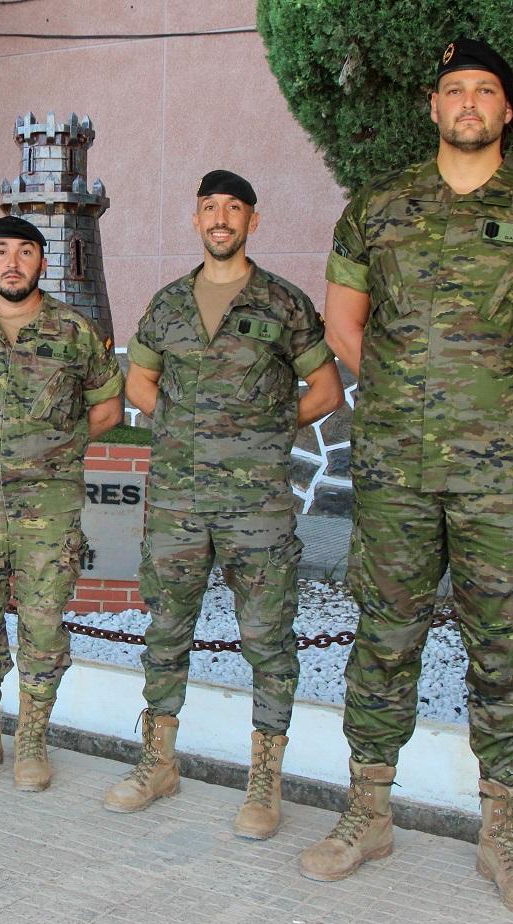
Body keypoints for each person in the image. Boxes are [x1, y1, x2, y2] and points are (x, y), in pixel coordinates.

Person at [300, 40, 513, 919]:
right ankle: (368, 814)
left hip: (503, 478)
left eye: (486, 91)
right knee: (383, 638)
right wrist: (411, 403)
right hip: (399, 468)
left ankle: (504, 838)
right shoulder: (382, 207)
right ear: (433, 108)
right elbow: (344, 323)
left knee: (504, 648)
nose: (469, 102)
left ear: (506, 111)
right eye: (454, 90)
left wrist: (508, 408)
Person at [103, 172, 343, 833]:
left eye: (233, 209)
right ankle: (158, 763)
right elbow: (140, 380)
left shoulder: (282, 303)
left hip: (255, 506)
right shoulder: (169, 304)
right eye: (209, 207)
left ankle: (264, 785)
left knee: (267, 640)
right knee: (166, 631)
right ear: (196, 218)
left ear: (251, 222)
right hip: (178, 501)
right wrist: (184, 430)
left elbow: (324, 389)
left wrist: (262, 433)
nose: (220, 218)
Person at [0, 216, 123, 791]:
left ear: (42, 261)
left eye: (26, 251)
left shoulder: (73, 332)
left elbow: (106, 410)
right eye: (1, 251)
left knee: (43, 622)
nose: (13, 261)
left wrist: (51, 452)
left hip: (48, 510)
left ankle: (33, 739)